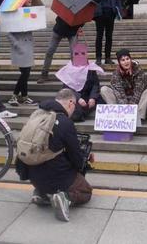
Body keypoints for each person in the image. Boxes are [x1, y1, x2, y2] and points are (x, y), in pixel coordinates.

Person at [15, 89, 93, 222]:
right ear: (70, 103)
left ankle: (41, 193)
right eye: (75, 106)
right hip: (55, 176)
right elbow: (76, 159)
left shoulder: (37, 114)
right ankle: (65, 197)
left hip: (30, 172)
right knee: (85, 191)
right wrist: (85, 160)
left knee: (52, 162)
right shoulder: (65, 122)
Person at [38, 0, 86, 83]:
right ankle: (44, 74)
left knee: (74, 54)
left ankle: (75, 75)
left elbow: (84, 18)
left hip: (72, 31)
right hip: (59, 29)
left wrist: (80, 26)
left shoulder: (83, 3)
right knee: (49, 51)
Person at [100, 49, 147, 125]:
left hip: (137, 100)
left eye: (127, 59)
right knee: (104, 89)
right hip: (123, 102)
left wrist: (132, 105)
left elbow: (139, 90)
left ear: (130, 59)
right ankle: (115, 116)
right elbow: (119, 92)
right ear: (119, 62)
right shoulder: (116, 73)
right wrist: (125, 106)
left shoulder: (138, 70)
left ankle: (137, 117)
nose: (126, 62)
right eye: (123, 60)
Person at [7, 0, 37, 106]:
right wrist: (17, 45)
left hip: (28, 47)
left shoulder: (28, 13)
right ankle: (14, 96)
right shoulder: (15, 14)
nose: (30, 1)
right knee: (25, 74)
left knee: (26, 73)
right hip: (20, 48)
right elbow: (9, 33)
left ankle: (24, 97)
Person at [56, 56, 104, 122]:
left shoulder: (91, 69)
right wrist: (78, 98)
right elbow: (67, 88)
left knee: (102, 101)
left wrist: (92, 97)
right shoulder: (68, 70)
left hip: (88, 96)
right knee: (75, 113)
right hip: (74, 97)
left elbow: (95, 84)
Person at [90, 0, 121, 65]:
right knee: (99, 35)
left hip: (110, 12)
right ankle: (98, 58)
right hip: (99, 13)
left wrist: (117, 9)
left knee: (109, 36)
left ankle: (108, 57)